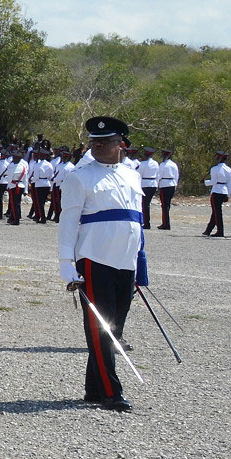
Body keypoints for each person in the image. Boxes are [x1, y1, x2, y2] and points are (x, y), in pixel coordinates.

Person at [57, 117, 144, 411]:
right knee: (100, 327)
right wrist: (67, 264)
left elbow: (137, 223)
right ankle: (111, 392)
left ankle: (94, 388)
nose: (98, 146)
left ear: (122, 144)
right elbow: (68, 222)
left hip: (125, 260)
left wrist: (140, 266)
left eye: (105, 142)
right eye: (94, 141)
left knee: (115, 327)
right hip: (95, 258)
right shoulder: (79, 177)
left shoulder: (133, 175)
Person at [205, 151, 230, 237]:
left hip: (216, 191)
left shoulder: (214, 169)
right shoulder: (229, 169)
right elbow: (229, 184)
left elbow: (214, 181)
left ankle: (220, 231)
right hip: (224, 191)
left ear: (219, 158)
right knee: (216, 211)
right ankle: (208, 230)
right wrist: (228, 195)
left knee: (217, 212)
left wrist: (205, 182)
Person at [156, 149, 179, 230]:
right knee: (167, 205)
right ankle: (166, 223)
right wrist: (175, 185)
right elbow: (176, 176)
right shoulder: (174, 164)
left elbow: (159, 176)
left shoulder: (162, 164)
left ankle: (166, 224)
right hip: (172, 184)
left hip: (165, 184)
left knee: (164, 205)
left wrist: (157, 185)